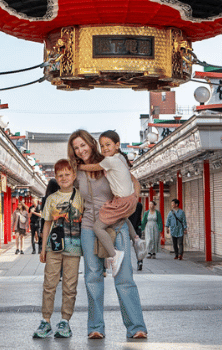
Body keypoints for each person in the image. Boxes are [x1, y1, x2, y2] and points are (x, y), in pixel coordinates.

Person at [69, 130, 148, 340]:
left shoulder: (108, 162)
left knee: (124, 277)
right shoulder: (76, 171)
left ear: (91, 144)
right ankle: (96, 327)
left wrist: (133, 199)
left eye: (83, 145)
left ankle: (136, 327)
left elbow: (134, 182)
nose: (81, 150)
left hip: (117, 225)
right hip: (89, 226)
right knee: (92, 277)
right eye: (76, 148)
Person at [74, 130, 143, 276]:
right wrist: (134, 197)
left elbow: (93, 167)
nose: (104, 148)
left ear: (117, 145)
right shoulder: (121, 158)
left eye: (108, 145)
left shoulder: (109, 161)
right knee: (122, 217)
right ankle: (136, 239)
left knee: (98, 227)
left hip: (121, 201)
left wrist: (78, 166)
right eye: (102, 145)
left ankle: (114, 255)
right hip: (126, 200)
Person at [33, 159, 83, 339]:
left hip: (74, 248)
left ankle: (65, 321)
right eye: (60, 175)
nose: (64, 178)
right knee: (49, 284)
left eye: (67, 174)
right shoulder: (51, 199)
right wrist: (43, 249)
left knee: (70, 285)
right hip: (53, 247)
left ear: (74, 175)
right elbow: (47, 223)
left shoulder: (81, 197)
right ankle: (45, 321)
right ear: (55, 177)